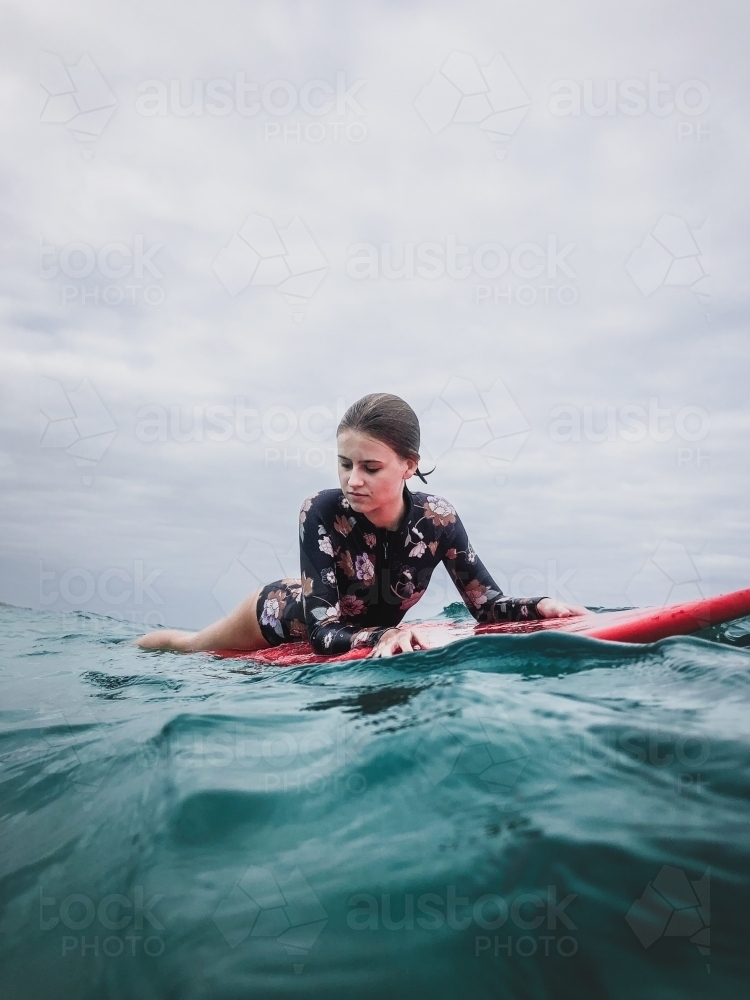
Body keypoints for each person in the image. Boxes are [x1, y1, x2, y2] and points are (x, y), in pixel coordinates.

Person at [136, 393, 588, 658]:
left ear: (409, 466)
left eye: (371, 467)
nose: (354, 480)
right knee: (192, 647)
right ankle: (132, 649)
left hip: (354, 624)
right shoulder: (321, 511)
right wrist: (385, 634)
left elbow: (486, 607)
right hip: (280, 616)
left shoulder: (438, 521)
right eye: (345, 463)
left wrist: (540, 606)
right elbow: (322, 633)